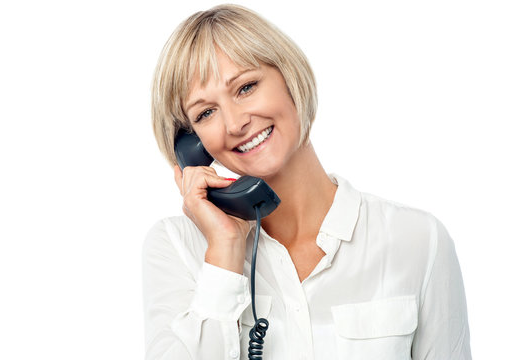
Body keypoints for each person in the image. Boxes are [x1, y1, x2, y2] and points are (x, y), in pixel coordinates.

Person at [143, 4, 471, 359]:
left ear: (289, 77)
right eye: (206, 113)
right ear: (191, 145)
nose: (235, 123)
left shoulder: (417, 240)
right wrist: (224, 249)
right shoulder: (175, 247)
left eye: (246, 87)